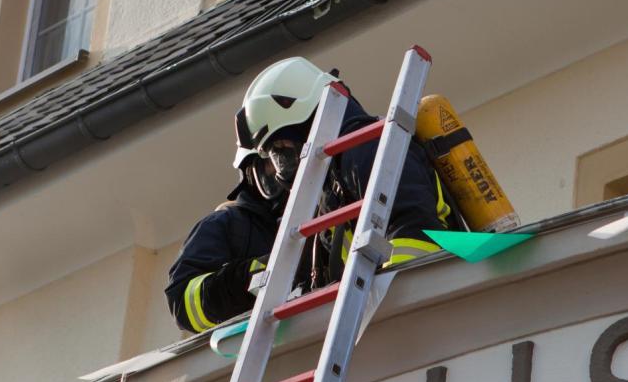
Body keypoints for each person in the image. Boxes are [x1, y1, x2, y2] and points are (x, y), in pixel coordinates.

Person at [235, 57, 452, 285]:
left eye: (281, 148)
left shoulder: (366, 147)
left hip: (436, 282)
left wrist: (390, 294)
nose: (282, 165)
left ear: (304, 127)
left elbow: (412, 226)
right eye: (273, 154)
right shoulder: (330, 184)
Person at [164, 148, 283, 333]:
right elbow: (182, 303)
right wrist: (252, 275)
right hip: (260, 343)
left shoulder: (322, 210)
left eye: (291, 155)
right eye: (273, 160)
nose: (281, 169)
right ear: (251, 172)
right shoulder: (226, 223)